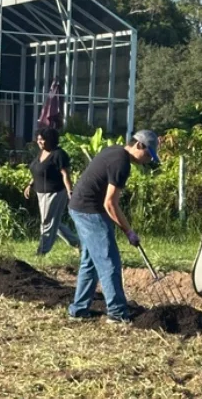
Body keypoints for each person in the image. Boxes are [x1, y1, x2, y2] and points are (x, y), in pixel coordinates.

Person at [66, 129, 160, 323]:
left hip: (80, 207)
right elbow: (110, 203)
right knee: (109, 261)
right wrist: (129, 231)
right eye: (148, 154)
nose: (148, 160)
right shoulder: (121, 162)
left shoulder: (115, 151)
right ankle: (117, 313)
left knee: (91, 261)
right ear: (139, 146)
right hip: (90, 211)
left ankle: (79, 310)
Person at [23, 126, 79, 255]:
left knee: (47, 222)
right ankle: (78, 243)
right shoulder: (42, 152)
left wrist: (70, 191)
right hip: (40, 192)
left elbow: (65, 174)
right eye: (38, 140)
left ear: (51, 139)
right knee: (55, 223)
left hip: (55, 192)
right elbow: (38, 171)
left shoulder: (58, 154)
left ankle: (42, 251)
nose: (40, 142)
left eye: (42, 140)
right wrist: (30, 185)